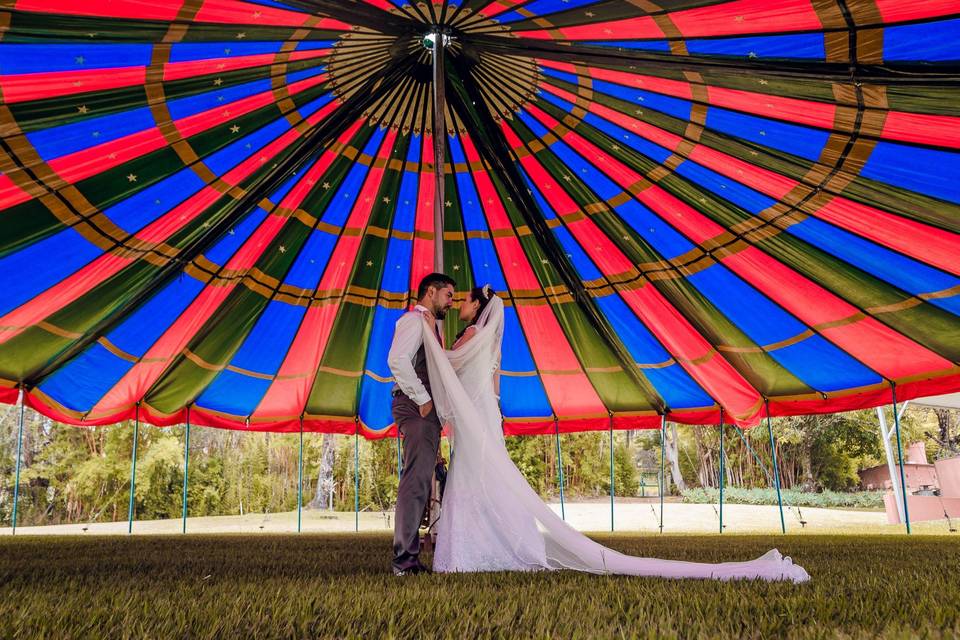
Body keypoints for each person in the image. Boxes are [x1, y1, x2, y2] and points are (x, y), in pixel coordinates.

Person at [421, 285, 810, 582]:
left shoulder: (470, 338)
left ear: (479, 308)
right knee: (484, 480)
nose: (461, 306)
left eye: (466, 301)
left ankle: (473, 552)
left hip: (477, 419)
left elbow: (446, 364)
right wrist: (491, 419)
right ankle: (497, 547)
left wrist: (426, 329)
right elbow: (494, 390)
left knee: (472, 479)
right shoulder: (494, 346)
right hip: (487, 417)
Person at [386, 272, 455, 576]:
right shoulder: (414, 321)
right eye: (448, 295)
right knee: (415, 481)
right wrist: (423, 398)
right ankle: (405, 561)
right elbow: (398, 360)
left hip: (423, 410)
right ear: (431, 291)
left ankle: (408, 557)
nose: (450, 302)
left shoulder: (428, 326)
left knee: (419, 479)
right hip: (416, 406)